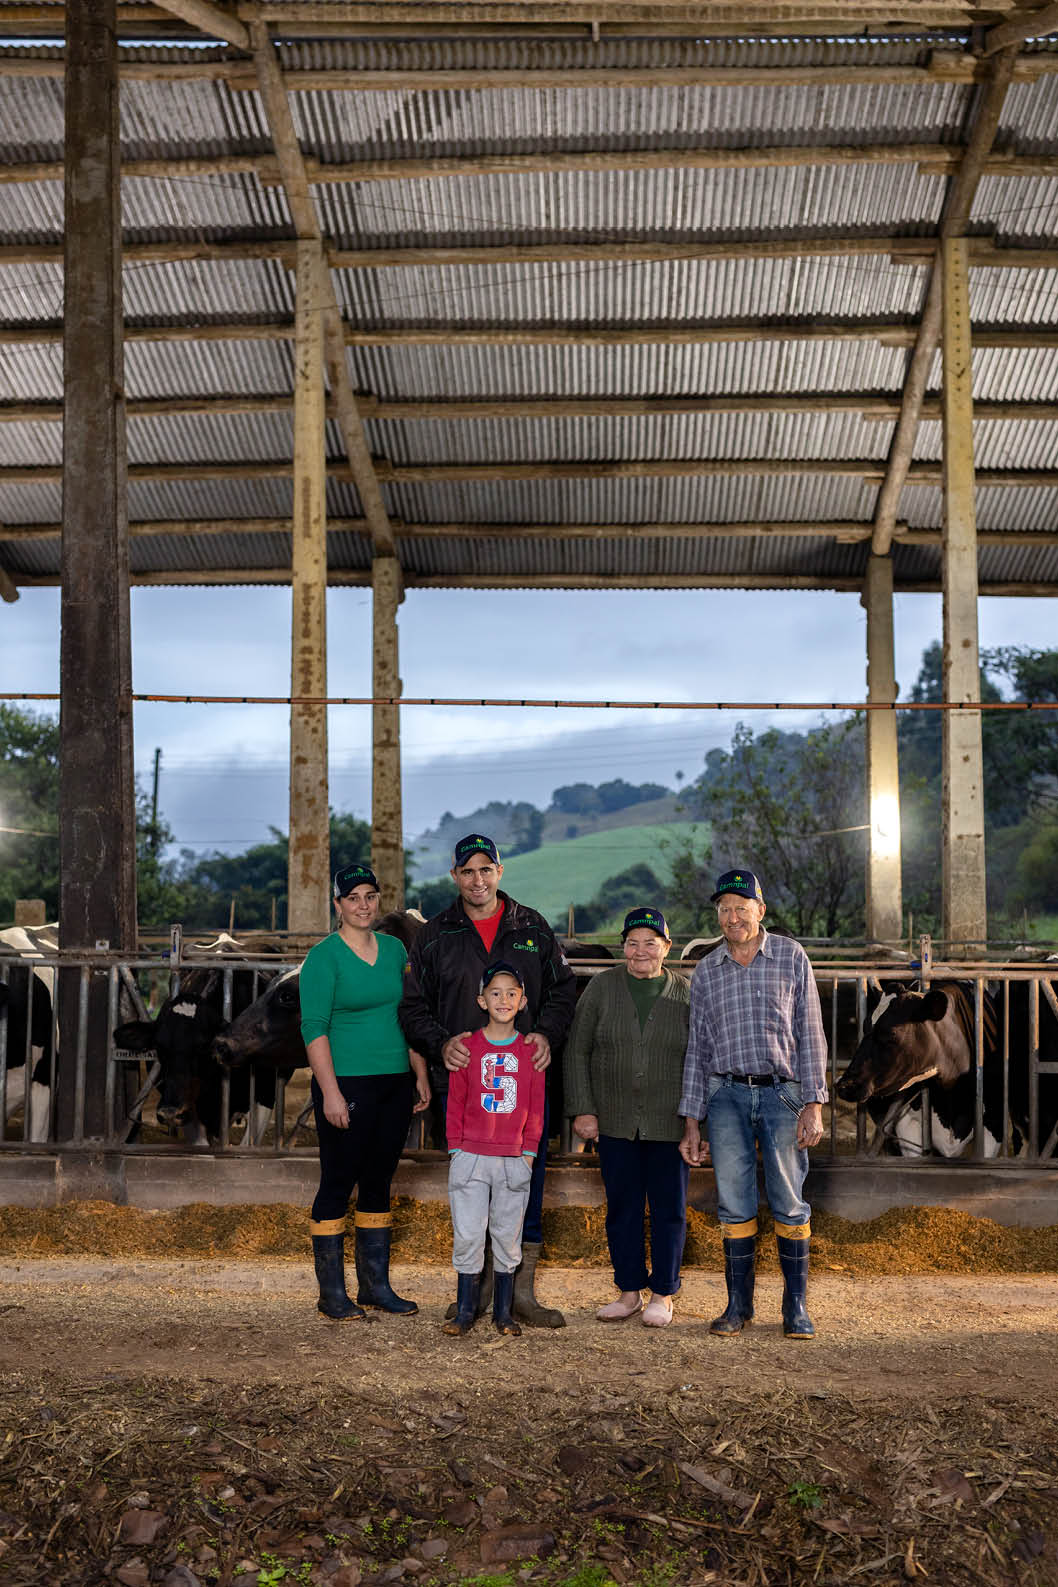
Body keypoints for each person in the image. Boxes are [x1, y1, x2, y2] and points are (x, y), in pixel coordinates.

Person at [399, 832, 577, 1327]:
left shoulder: (532, 928)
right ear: (455, 876)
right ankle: (472, 1293)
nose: (477, 879)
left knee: (526, 1186)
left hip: (522, 1088)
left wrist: (545, 1033)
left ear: (500, 872)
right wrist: (440, 1043)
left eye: (486, 869)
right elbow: (412, 1006)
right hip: (466, 1088)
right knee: (472, 1192)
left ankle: (519, 1294)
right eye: (467, 871)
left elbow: (564, 990)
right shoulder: (435, 935)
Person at [678, 870, 827, 1340]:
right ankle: (737, 1306)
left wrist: (814, 1102)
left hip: (783, 1093)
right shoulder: (707, 970)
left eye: (742, 907)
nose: (732, 916)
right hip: (725, 1096)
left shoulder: (789, 956)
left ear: (761, 911)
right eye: (724, 909)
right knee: (734, 1202)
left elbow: (811, 1032)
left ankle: (796, 1306)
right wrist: (691, 1120)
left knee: (788, 1199)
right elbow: (697, 1049)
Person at [302, 863, 430, 1321]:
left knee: (379, 1180)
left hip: (394, 1081)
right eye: (352, 898)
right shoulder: (324, 957)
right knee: (338, 1180)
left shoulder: (396, 949)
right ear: (337, 905)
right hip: (347, 1083)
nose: (362, 905)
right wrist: (330, 1092)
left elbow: (408, 1015)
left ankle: (376, 1286)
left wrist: (419, 1072)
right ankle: (331, 1293)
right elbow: (314, 1029)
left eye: (370, 896)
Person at [565, 907, 691, 1327]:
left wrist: (695, 1121)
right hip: (615, 1121)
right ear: (623, 948)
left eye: (650, 942)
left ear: (666, 948)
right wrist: (583, 1107)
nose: (641, 951)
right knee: (623, 1207)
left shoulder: (685, 994)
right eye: (632, 943)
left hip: (668, 1122)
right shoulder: (601, 988)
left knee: (669, 1208)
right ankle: (629, 1291)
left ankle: (663, 1294)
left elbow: (700, 1059)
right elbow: (577, 1049)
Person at [443, 961, 546, 1337]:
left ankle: (503, 1312)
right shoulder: (466, 1047)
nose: (503, 999)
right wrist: (456, 1150)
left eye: (512, 993)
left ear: (522, 1002)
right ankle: (465, 1310)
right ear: (481, 999)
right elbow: (456, 1103)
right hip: (470, 1155)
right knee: (469, 1233)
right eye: (495, 992)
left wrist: (529, 1153)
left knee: (507, 1234)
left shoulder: (530, 1050)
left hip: (513, 1157)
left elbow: (536, 1107)